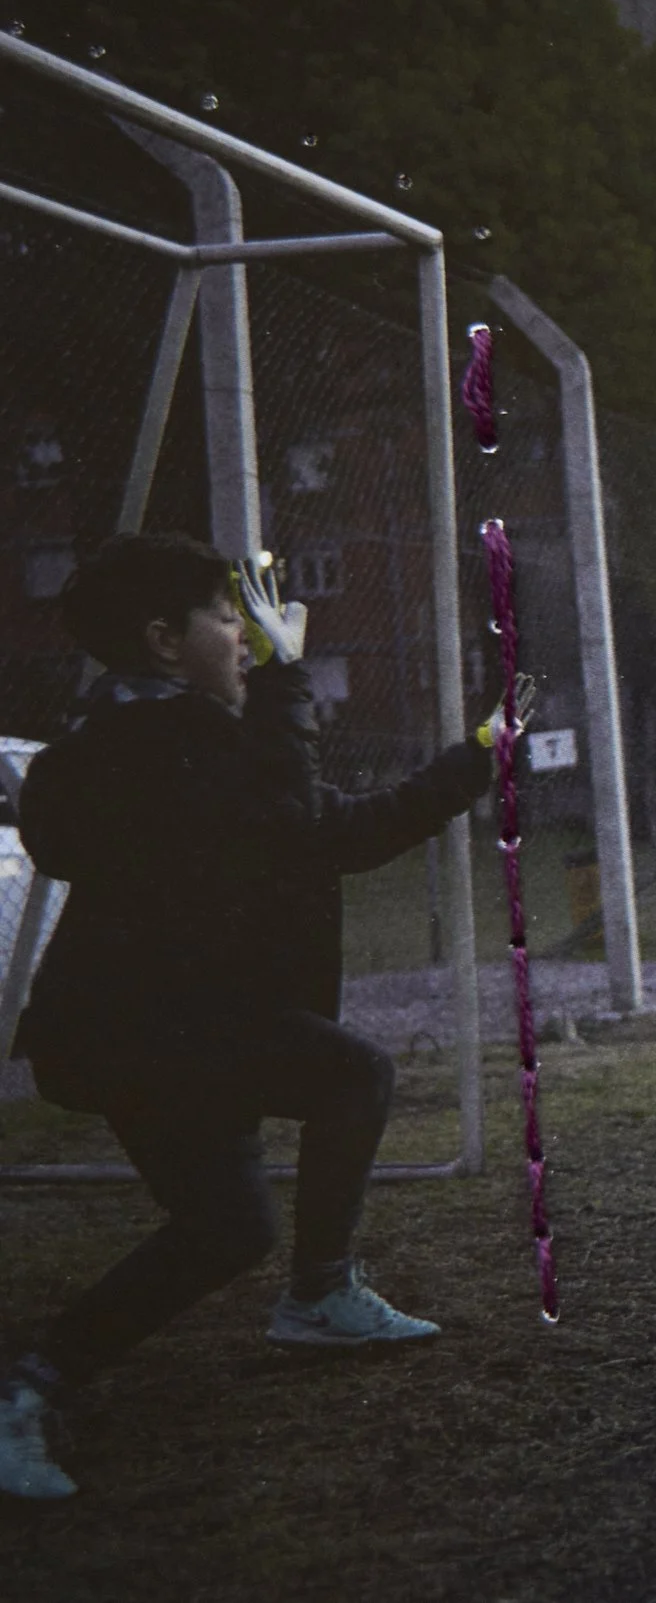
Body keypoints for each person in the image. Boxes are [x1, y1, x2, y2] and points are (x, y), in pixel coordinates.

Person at [1, 535, 511, 1503]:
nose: (250, 635)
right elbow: (293, 810)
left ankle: (31, 1386)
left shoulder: (167, 739)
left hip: (154, 1032)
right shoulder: (161, 742)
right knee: (351, 1074)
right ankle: (320, 1291)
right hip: (153, 1031)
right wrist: (287, 682)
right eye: (228, 619)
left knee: (224, 1226)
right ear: (162, 640)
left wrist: (475, 760)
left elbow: (337, 830)